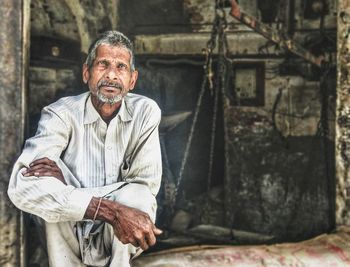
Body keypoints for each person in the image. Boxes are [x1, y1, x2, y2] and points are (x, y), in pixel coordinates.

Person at [8, 31, 162, 267]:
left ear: (132, 80)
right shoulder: (60, 113)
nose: (111, 74)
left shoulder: (145, 112)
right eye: (103, 64)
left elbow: (145, 186)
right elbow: (22, 187)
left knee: (137, 197)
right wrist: (111, 208)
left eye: (121, 67)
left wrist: (69, 188)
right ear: (86, 73)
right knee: (47, 193)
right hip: (69, 231)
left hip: (119, 237)